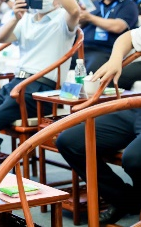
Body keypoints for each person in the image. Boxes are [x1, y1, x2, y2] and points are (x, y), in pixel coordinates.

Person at [0, 0, 80, 155]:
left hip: (41, 90)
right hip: (17, 83)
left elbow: (75, 10)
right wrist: (16, 17)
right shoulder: (27, 18)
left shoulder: (63, 18)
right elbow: (0, 38)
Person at [56, 28, 141, 225]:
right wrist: (115, 59)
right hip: (137, 107)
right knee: (70, 142)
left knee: (134, 159)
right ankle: (124, 200)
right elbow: (127, 37)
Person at [80, 0, 139, 73]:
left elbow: (118, 27)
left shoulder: (129, 6)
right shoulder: (95, 4)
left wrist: (90, 17)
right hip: (83, 47)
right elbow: (80, 25)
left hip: (105, 51)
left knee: (92, 68)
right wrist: (80, 15)